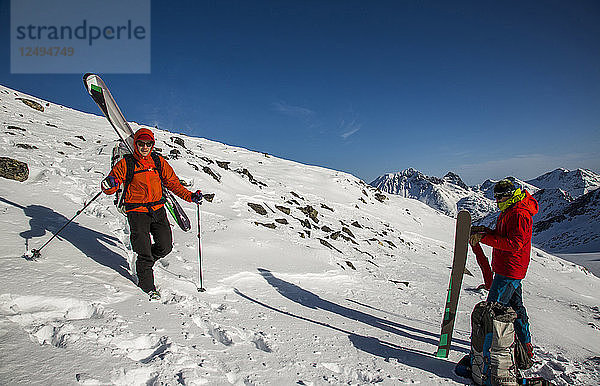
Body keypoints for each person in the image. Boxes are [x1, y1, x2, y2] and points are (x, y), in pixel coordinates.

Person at [101, 128, 203, 299]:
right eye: (141, 143)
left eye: (148, 144)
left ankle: (145, 263)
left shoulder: (158, 161)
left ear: (152, 145)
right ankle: (147, 286)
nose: (145, 147)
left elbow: (173, 184)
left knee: (165, 246)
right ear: (136, 144)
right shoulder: (127, 163)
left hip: (157, 210)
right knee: (143, 249)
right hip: (137, 212)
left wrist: (190, 197)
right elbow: (110, 187)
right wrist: (110, 184)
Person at [469, 179, 539, 358]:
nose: (497, 201)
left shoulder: (519, 214)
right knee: (516, 308)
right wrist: (486, 232)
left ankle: (489, 351)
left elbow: (514, 243)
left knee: (492, 312)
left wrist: (483, 239)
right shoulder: (510, 210)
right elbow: (503, 236)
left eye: (499, 197)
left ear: (509, 195)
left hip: (509, 270)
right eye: (496, 197)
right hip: (510, 269)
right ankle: (525, 345)